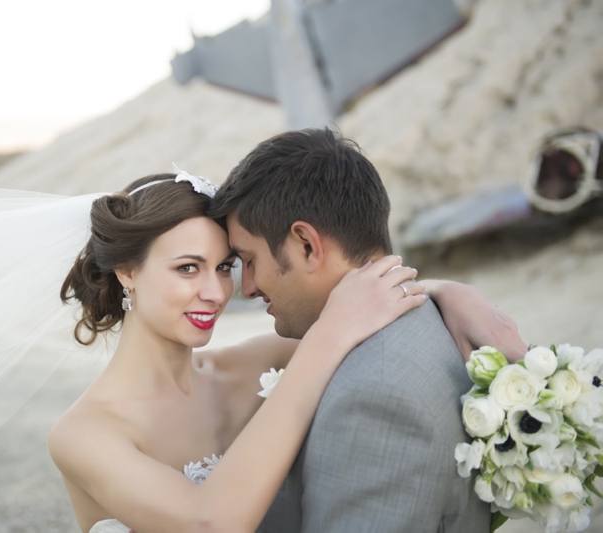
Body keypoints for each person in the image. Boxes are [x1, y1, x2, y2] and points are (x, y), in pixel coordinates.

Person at [48, 165, 524, 532]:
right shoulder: (83, 435)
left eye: (226, 266)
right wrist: (327, 336)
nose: (217, 293)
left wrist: (447, 291)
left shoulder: (253, 364)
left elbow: (363, 303)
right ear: (127, 270)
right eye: (188, 268)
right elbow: (209, 522)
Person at [206, 127, 521, 532]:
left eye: (249, 260)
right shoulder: (430, 319)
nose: (246, 287)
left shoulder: (375, 392)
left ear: (306, 245)